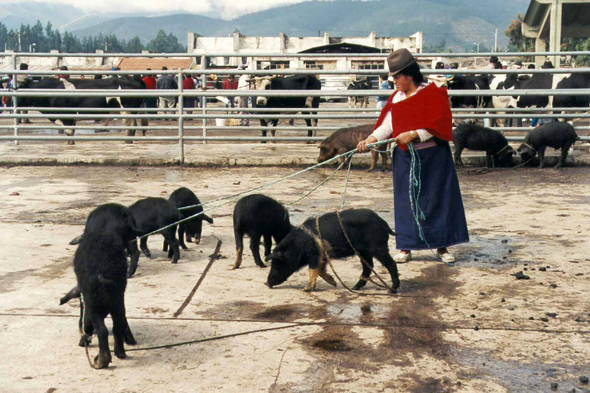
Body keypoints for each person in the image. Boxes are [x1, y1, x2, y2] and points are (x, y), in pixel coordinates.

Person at [357, 48, 469, 264]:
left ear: (409, 74)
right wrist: (370, 139)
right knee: (406, 201)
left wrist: (416, 134)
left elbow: (441, 123)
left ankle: (441, 246)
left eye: (397, 76)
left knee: (437, 200)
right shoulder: (396, 98)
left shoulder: (432, 93)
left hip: (434, 157)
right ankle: (406, 245)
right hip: (405, 158)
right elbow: (387, 126)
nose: (394, 81)